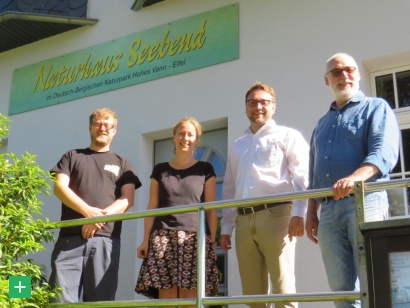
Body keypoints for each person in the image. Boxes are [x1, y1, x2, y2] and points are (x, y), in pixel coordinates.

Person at [305, 53, 400, 308]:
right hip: (328, 213)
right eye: (336, 72)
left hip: (365, 200)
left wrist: (355, 178)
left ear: (357, 74)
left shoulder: (376, 107)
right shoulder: (321, 124)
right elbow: (313, 172)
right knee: (341, 290)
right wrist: (311, 211)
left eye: (349, 70)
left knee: (373, 279)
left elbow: (384, 153)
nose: (344, 75)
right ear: (327, 80)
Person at [220, 81, 309, 308]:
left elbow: (301, 177)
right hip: (243, 220)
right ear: (245, 107)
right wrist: (226, 227)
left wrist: (300, 212)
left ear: (273, 106)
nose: (258, 106)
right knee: (253, 295)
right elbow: (230, 188)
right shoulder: (237, 145)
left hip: (277, 215)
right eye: (252, 102)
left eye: (263, 102)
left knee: (283, 288)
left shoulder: (288, 136)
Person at [49, 108, 142, 303]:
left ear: (114, 130)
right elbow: (59, 188)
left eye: (108, 125)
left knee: (100, 303)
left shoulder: (123, 163)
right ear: (90, 127)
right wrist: (89, 212)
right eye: (98, 124)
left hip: (105, 241)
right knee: (60, 301)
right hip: (69, 240)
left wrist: (98, 219)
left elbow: (127, 200)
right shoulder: (71, 156)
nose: (103, 128)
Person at [135, 117, 219, 305]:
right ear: (174, 137)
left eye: (190, 134)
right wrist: (145, 240)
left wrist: (212, 241)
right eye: (181, 133)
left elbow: (211, 208)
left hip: (194, 237)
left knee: (191, 298)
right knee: (167, 299)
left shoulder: (206, 169)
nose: (185, 138)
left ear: (196, 140)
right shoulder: (160, 169)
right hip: (162, 237)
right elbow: (152, 206)